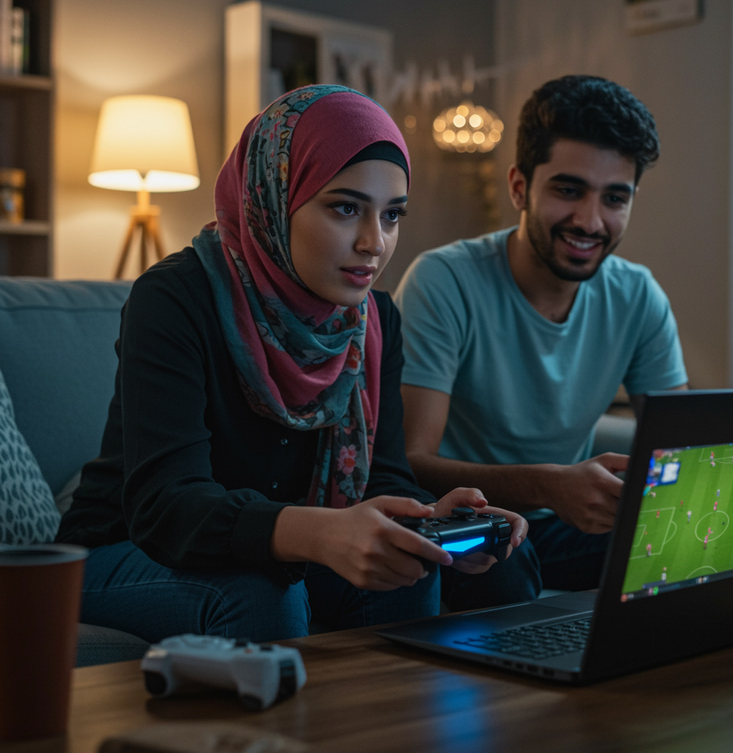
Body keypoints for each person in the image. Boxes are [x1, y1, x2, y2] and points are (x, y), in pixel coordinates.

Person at [56, 84, 527, 643]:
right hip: (124, 548)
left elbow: (385, 478)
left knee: (413, 572)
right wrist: (317, 533)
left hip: (282, 548)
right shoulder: (176, 297)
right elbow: (167, 507)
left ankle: (384, 732)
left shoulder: (374, 320)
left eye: (393, 215)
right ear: (276, 196)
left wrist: (429, 520)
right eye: (346, 208)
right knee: (260, 592)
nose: (374, 242)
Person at [394, 75, 688, 611]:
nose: (590, 221)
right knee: (501, 561)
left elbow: (684, 445)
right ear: (519, 187)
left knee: (685, 541)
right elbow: (411, 462)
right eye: (568, 190)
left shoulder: (638, 295)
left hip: (570, 526)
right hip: (468, 519)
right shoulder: (443, 281)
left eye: (614, 198)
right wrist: (549, 487)